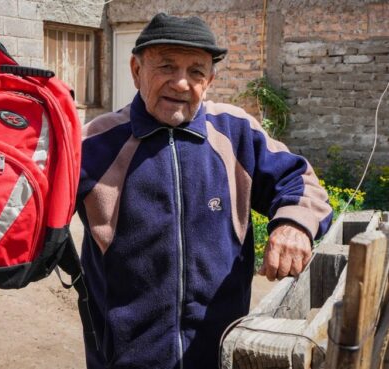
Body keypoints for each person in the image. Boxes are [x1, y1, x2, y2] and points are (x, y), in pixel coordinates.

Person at [76, 12, 333, 369]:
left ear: (209, 80)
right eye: (166, 66)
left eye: (196, 71)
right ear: (137, 71)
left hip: (220, 355)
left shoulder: (237, 132)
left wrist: (294, 224)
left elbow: (301, 181)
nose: (181, 83)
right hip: (122, 358)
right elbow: (31, 214)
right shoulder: (94, 143)